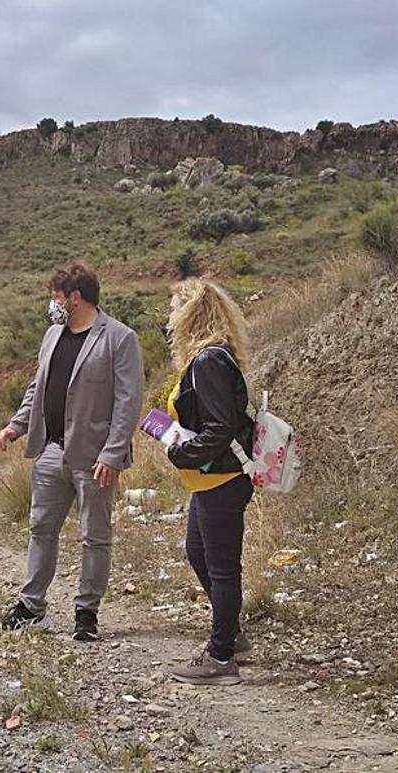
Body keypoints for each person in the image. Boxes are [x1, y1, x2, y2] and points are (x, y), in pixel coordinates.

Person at [0, 263, 144, 641]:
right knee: (40, 529)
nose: (52, 304)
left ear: (75, 298)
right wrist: (17, 424)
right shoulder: (52, 335)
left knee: (95, 536)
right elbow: (38, 386)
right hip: (50, 451)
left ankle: (86, 613)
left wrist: (113, 454)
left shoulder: (119, 338)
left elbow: (128, 403)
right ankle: (31, 607)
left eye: (56, 298)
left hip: (94, 459)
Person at [161, 278, 255, 685]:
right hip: (209, 481)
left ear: (189, 313)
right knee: (198, 553)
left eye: (172, 309)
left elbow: (220, 427)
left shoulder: (209, 361)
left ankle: (220, 656)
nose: (168, 319)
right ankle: (229, 634)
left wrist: (181, 451)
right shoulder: (208, 359)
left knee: (221, 567)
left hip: (221, 478)